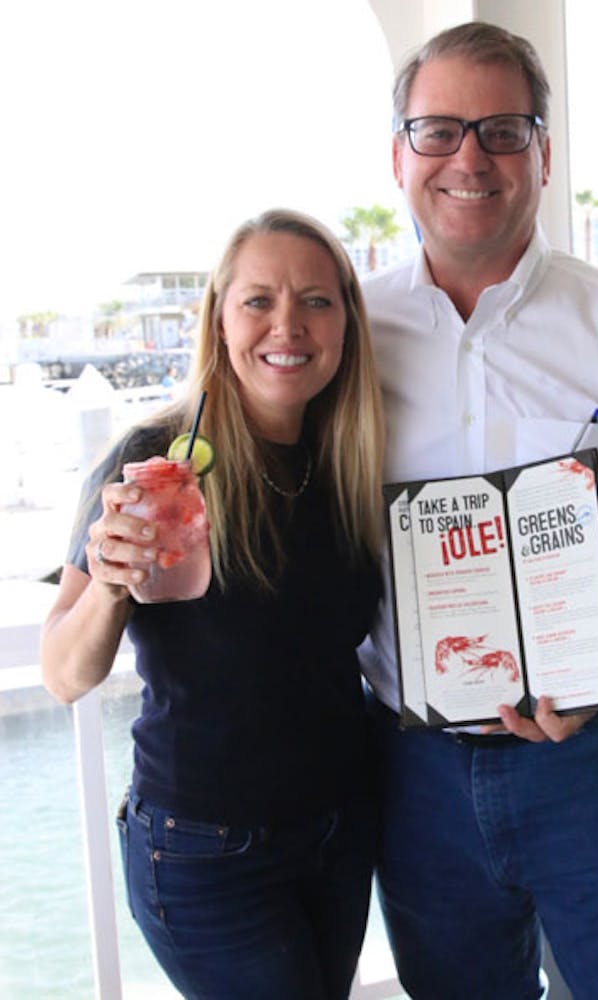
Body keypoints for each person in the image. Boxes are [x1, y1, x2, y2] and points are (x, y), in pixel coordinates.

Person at [358, 21, 598, 1000]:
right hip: (409, 767)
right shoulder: (342, 338)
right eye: (438, 129)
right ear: (398, 154)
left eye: (501, 130)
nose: (469, 158)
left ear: (543, 153)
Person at [41, 209, 385, 1000]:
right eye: (258, 300)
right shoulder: (152, 461)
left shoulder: (347, 456)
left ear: (347, 323)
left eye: (316, 301)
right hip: (205, 848)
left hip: (340, 827)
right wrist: (113, 583)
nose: (287, 325)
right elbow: (63, 675)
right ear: (221, 320)